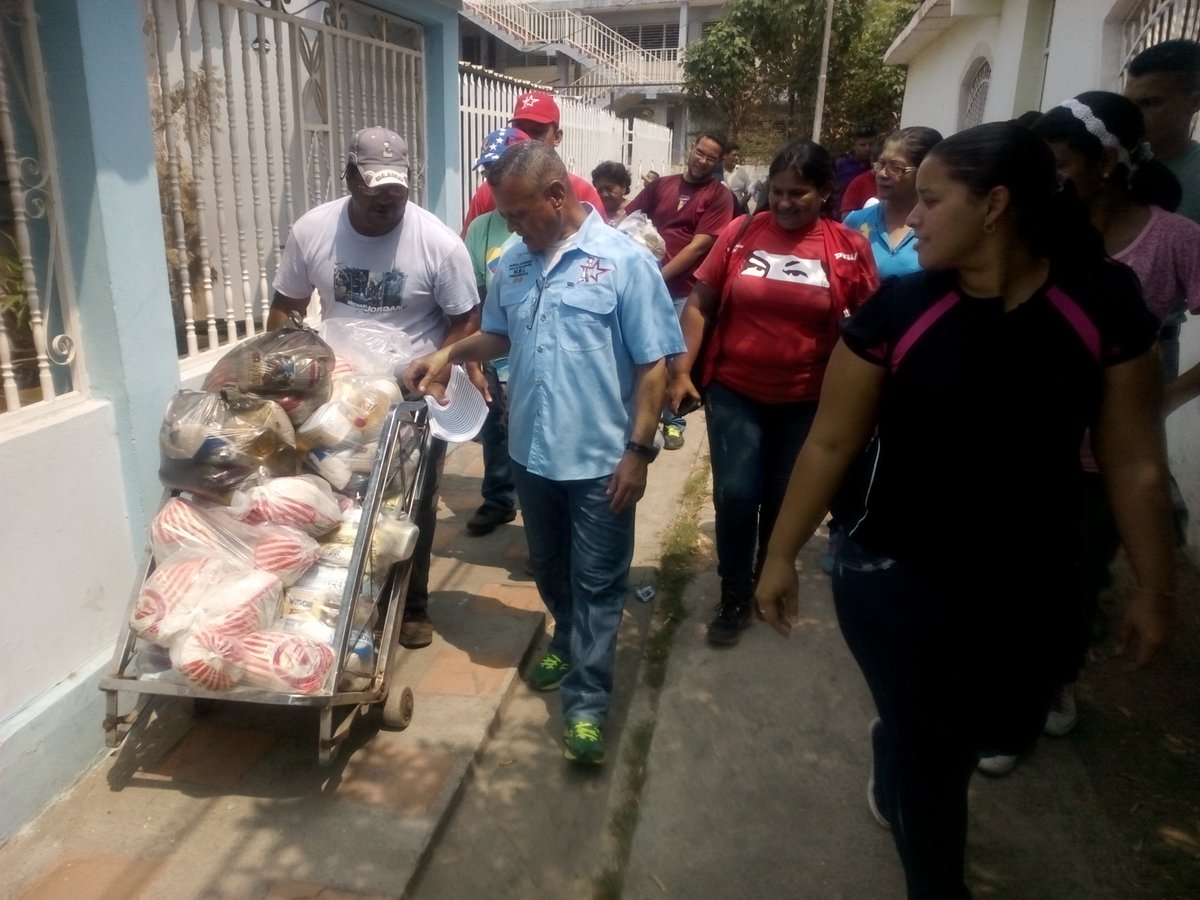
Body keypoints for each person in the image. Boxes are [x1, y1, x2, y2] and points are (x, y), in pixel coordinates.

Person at [754, 121, 1176, 899]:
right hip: (897, 572)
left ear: (996, 206)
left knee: (1005, 731)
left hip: (1035, 579)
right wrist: (779, 554)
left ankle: (905, 739)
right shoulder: (900, 311)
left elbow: (1134, 460)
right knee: (934, 762)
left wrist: (1155, 587)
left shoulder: (1100, 304)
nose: (912, 218)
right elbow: (830, 445)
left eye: (933, 199)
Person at [403, 142, 684, 765]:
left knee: (600, 582)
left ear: (558, 196)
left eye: (522, 215)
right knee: (553, 569)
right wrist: (450, 354)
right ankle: (565, 632)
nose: (513, 228)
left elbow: (653, 368)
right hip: (532, 454)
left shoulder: (623, 264)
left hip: (602, 460)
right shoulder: (514, 265)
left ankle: (587, 704)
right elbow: (499, 334)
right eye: (505, 217)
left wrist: (639, 451)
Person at [966, 91, 1200, 778]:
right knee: (997, 577)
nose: (1050, 181)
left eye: (1062, 166)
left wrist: (1169, 396)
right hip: (1015, 448)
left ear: (1106, 164)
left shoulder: (1172, 240)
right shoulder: (1027, 234)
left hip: (1102, 460)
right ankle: (993, 690)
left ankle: (1048, 685)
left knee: (1071, 584)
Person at [268, 125, 480, 650]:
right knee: (333, 497)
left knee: (411, 501)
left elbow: (466, 319)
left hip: (409, 399)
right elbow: (284, 309)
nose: (388, 203)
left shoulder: (436, 242)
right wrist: (289, 370)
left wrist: (436, 368)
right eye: (375, 192)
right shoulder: (313, 231)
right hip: (334, 395)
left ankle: (412, 605)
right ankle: (341, 597)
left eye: (397, 192)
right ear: (348, 179)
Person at [667, 139, 879, 646]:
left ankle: (770, 579)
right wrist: (682, 371)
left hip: (810, 402)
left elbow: (870, 331)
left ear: (825, 192)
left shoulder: (849, 247)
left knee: (786, 501)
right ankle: (734, 593)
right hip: (736, 392)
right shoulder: (742, 233)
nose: (784, 203)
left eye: (798, 194)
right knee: (737, 495)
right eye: (777, 192)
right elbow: (700, 303)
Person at [622, 133, 735, 450]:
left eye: (710, 157)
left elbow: (700, 245)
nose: (702, 160)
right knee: (642, 355)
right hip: (645, 286)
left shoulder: (719, 196)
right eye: (699, 152)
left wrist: (659, 276)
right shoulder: (662, 186)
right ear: (691, 150)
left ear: (718, 162)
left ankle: (674, 420)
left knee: (676, 359)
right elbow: (629, 217)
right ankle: (642, 421)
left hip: (685, 292)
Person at [461, 127, 530, 537]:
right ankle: (498, 500)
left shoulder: (539, 224)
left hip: (533, 353)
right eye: (487, 172)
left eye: (499, 169)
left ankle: (540, 521)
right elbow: (473, 295)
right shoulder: (481, 229)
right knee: (495, 432)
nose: (492, 180)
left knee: (531, 437)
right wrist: (472, 357)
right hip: (495, 349)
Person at [460, 90, 604, 235]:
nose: (526, 138)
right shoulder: (488, 192)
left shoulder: (581, 191)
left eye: (537, 132)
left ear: (557, 137)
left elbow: (599, 246)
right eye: (519, 130)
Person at [843, 127, 943, 281]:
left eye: (896, 168)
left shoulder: (941, 229)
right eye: (881, 164)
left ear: (924, 172)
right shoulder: (856, 222)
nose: (882, 174)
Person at [834, 123, 877, 206]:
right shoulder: (841, 166)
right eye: (862, 145)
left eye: (871, 144)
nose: (867, 148)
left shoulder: (880, 167)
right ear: (854, 146)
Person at [721, 141, 754, 217]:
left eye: (737, 155)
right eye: (734, 155)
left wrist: (741, 204)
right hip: (723, 215)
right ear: (725, 156)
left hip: (739, 214)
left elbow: (750, 189)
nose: (736, 158)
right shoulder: (717, 172)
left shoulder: (740, 170)